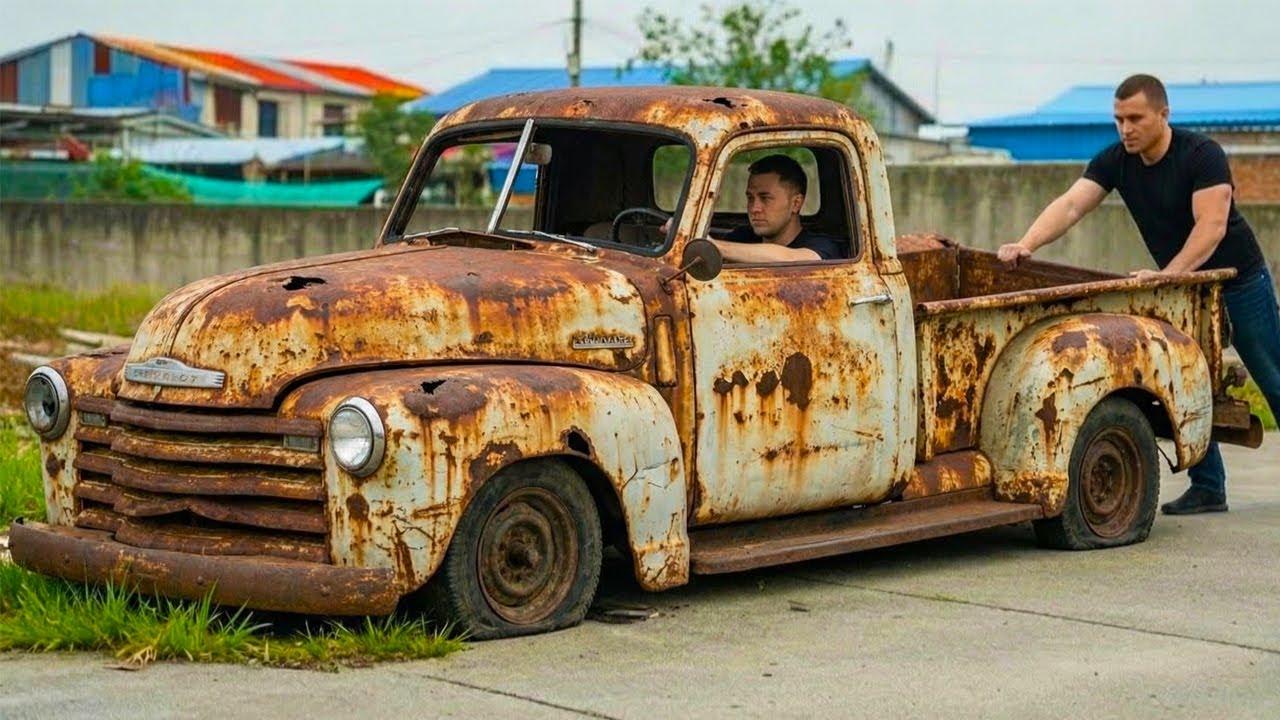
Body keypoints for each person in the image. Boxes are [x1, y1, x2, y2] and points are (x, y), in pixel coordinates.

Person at [997, 73, 1280, 515]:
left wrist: (1167, 276)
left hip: (1238, 279)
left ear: (1163, 114)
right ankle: (1209, 487)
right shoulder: (1116, 161)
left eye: (1135, 118)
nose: (1125, 129)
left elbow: (1212, 227)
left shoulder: (1202, 155)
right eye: (1119, 119)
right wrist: (1026, 243)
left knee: (1273, 377)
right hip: (1181, 287)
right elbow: (1071, 205)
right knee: (1186, 379)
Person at [710, 154, 848, 262]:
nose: (754, 208)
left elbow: (792, 260)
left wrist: (715, 247)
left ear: (796, 204)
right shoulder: (740, 238)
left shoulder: (823, 247)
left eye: (765, 198)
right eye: (750, 198)